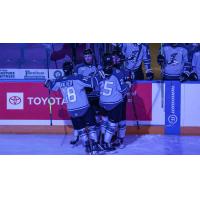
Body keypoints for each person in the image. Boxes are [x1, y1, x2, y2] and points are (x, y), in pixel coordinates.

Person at [44, 61, 100, 154]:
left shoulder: (59, 80)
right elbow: (93, 83)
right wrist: (99, 74)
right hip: (84, 108)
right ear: (72, 69)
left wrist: (47, 82)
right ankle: (94, 145)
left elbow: (50, 86)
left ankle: (86, 145)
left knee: (81, 129)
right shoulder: (78, 77)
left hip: (72, 111)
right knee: (92, 127)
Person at [98, 53, 130, 151]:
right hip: (116, 102)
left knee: (105, 121)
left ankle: (103, 139)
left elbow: (94, 87)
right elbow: (123, 89)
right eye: (114, 58)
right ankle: (106, 143)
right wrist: (128, 83)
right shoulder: (119, 72)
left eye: (117, 58)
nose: (116, 60)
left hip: (103, 102)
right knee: (113, 124)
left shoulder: (99, 72)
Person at [74, 48, 102, 143]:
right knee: (82, 117)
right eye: (86, 56)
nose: (87, 58)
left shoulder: (98, 67)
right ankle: (77, 135)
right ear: (83, 57)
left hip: (96, 97)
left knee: (97, 118)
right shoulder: (78, 68)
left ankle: (97, 138)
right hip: (84, 97)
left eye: (89, 56)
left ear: (92, 56)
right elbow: (75, 82)